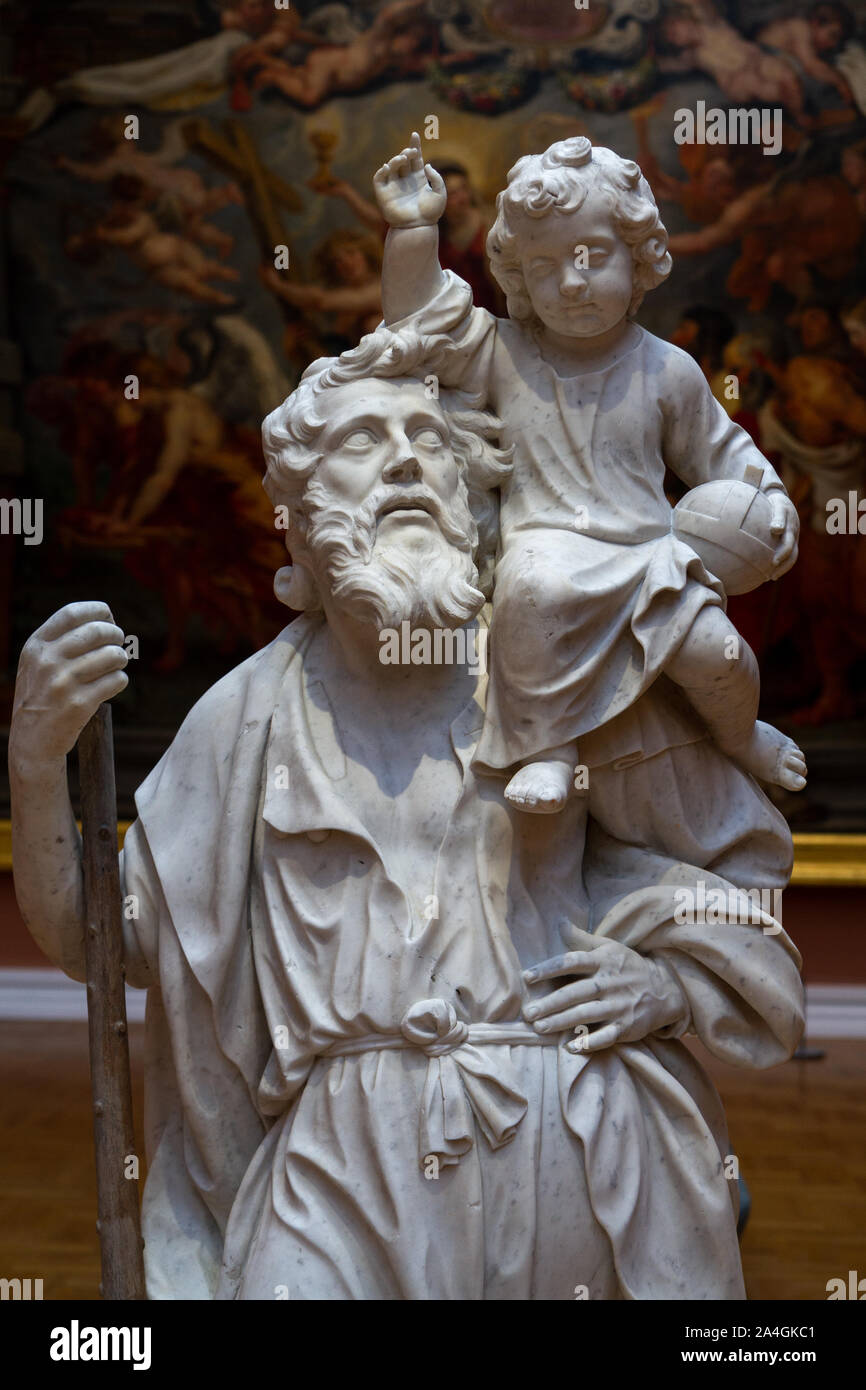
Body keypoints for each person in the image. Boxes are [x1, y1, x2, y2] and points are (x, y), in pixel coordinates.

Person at [9, 330, 805, 1300]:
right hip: (341, 1170)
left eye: (427, 442)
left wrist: (666, 986)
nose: (400, 460)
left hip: (579, 1130)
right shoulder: (246, 721)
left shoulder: (578, 675)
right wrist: (36, 758)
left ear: (477, 497)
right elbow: (109, 943)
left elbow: (736, 878)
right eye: (359, 445)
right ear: (293, 536)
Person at [374, 134, 805, 814]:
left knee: (719, 656)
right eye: (544, 268)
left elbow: (728, 457)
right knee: (533, 591)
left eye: (592, 257)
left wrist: (768, 503)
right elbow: (417, 319)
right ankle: (545, 749)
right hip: (546, 544)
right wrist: (412, 229)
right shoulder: (501, 353)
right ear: (517, 279)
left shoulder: (668, 369)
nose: (571, 282)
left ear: (639, 262)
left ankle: (741, 734)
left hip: (653, 553)